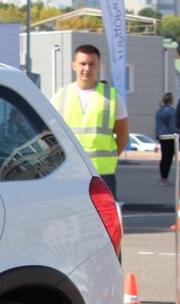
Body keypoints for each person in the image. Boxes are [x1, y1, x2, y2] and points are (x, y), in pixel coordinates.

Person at [52, 44, 128, 197]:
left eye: (92, 64)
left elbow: (123, 137)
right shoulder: (60, 96)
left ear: (99, 66)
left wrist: (109, 158)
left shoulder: (112, 97)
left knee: (104, 220)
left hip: (102, 174)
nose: (87, 68)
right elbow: (50, 135)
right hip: (69, 173)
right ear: (74, 65)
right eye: (82, 63)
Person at [155, 92, 177, 185]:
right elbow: (172, 126)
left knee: (163, 157)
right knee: (168, 158)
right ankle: (165, 178)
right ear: (171, 100)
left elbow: (157, 126)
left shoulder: (159, 111)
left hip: (161, 136)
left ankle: (162, 177)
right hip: (169, 136)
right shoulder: (171, 111)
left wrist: (156, 137)